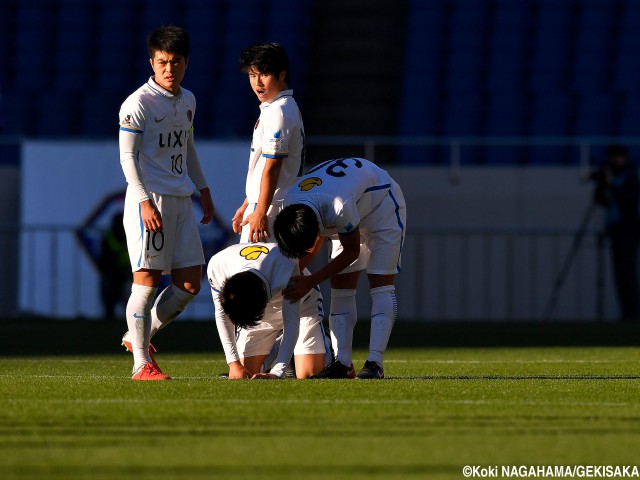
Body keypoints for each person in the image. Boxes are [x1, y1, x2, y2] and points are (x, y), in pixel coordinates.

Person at [118, 25, 215, 380]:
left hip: (180, 199)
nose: (169, 69)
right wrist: (143, 201)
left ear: (186, 63)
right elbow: (127, 157)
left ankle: (138, 336)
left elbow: (186, 148)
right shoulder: (138, 103)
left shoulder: (188, 100)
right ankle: (141, 363)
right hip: (151, 200)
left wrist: (203, 189)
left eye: (175, 62)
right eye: (162, 62)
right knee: (146, 281)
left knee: (190, 284)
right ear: (152, 62)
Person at [273, 158, 407, 379]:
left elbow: (351, 251)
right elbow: (311, 242)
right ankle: (342, 363)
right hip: (349, 200)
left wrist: (310, 280)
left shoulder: (337, 205)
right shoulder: (288, 203)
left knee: (380, 283)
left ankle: (375, 363)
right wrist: (292, 275)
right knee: (341, 285)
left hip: (381, 205)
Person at [208, 243, 330, 379]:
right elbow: (222, 315)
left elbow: (291, 323)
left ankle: (325, 343)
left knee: (308, 374)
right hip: (260, 308)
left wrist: (277, 372)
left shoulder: (286, 265)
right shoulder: (218, 266)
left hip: (302, 307)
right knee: (246, 374)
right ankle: (278, 348)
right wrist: (234, 364)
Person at [232, 43, 305, 244]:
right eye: (252, 75)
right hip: (268, 204)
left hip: (272, 208)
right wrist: (248, 202)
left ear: (282, 75)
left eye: (264, 74)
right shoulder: (277, 108)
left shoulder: (279, 111)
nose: (258, 83)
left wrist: (260, 211)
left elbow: (273, 166)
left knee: (256, 273)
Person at [594, 145, 640, 322]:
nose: (615, 161)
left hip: (629, 231)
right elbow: (602, 201)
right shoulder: (612, 176)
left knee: (628, 272)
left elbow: (627, 200)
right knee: (619, 273)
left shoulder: (630, 176)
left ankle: (633, 312)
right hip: (615, 230)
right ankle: (626, 312)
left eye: (618, 157)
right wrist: (602, 186)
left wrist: (612, 184)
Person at [98, 213, 130, 320]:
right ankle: (109, 318)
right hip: (112, 273)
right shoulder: (109, 237)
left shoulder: (132, 235)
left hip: (129, 272)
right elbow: (106, 259)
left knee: (131, 298)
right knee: (109, 296)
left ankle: (131, 320)